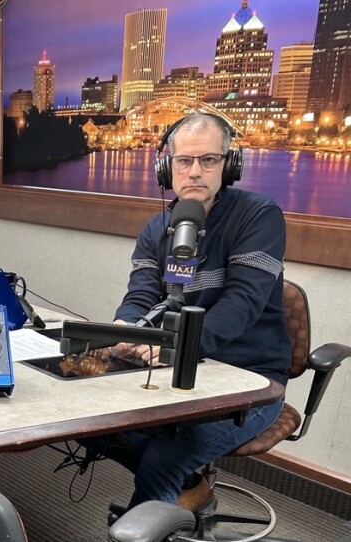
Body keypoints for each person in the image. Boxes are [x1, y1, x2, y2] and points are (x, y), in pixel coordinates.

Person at [101, 113, 291, 513]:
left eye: (209, 160)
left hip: (250, 379)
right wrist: (125, 329)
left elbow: (242, 303)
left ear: (229, 165)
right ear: (167, 168)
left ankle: (152, 512)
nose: (195, 171)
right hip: (174, 370)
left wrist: (177, 346)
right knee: (95, 424)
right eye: (184, 160)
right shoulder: (157, 228)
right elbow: (141, 295)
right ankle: (187, 487)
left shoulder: (259, 216)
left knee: (163, 457)